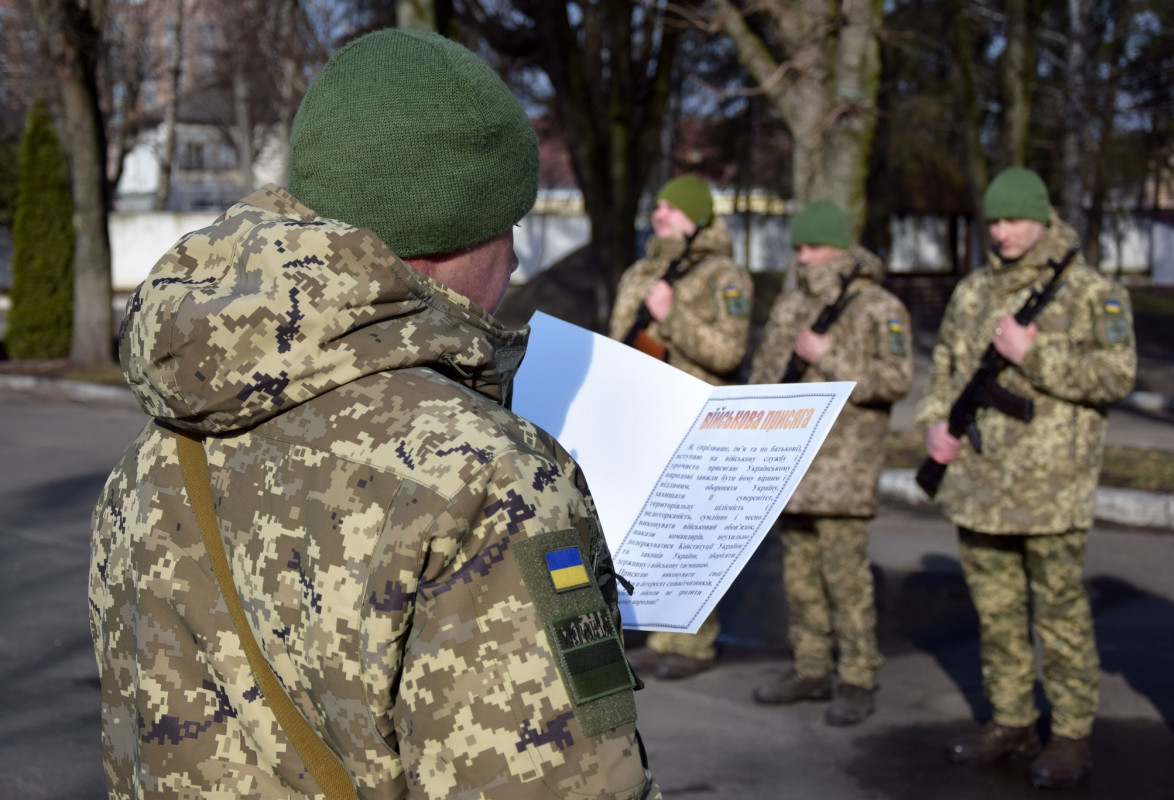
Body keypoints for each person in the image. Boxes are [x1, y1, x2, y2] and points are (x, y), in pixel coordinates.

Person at [89, 29, 660, 800]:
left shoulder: (155, 451)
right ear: (446, 232)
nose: (518, 260)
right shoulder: (487, 481)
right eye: (508, 226)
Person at [915, 167, 1135, 789]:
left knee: (1060, 614)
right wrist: (935, 424)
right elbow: (946, 370)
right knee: (996, 610)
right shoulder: (974, 291)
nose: (1004, 232)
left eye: (1015, 219)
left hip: (1051, 488)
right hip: (979, 486)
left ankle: (1070, 735)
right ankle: (1011, 720)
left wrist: (1030, 354)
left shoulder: (1093, 291)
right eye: (996, 220)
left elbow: (1116, 375)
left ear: (1043, 219)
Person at [747, 200, 913, 725]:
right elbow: (765, 378)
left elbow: (895, 380)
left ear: (842, 248)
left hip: (843, 466)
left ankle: (859, 676)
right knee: (798, 575)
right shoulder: (792, 306)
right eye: (798, 248)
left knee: (845, 580)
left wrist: (828, 356)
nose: (805, 258)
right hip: (790, 464)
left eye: (815, 247)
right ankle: (811, 667)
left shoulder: (878, 307)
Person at [609, 173, 753, 679]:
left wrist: (671, 317)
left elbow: (730, 352)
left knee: (693, 532)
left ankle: (693, 643)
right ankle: (661, 634)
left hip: (698, 421)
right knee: (651, 530)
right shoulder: (641, 272)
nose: (660, 214)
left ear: (698, 218)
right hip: (646, 415)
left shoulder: (723, 277)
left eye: (672, 208)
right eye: (659, 205)